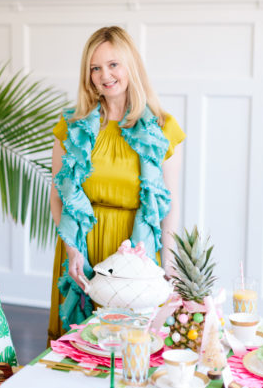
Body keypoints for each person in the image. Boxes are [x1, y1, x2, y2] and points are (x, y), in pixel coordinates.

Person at [48, 26, 185, 342]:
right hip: (80, 247)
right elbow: (57, 197)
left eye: (113, 65)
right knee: (79, 349)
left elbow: (170, 205)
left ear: (131, 66)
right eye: (95, 68)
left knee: (130, 344)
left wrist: (169, 264)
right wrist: (71, 249)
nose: (103, 75)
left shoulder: (163, 128)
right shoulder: (70, 126)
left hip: (134, 251)